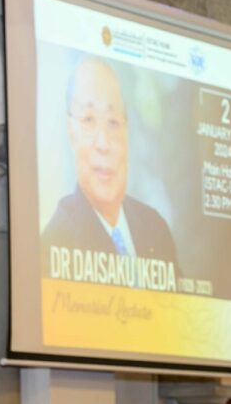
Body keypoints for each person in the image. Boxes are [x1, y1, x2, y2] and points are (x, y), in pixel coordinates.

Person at [42, 57, 178, 271]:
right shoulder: (56, 242)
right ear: (71, 133)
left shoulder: (155, 228)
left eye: (113, 122)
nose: (103, 144)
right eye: (88, 120)